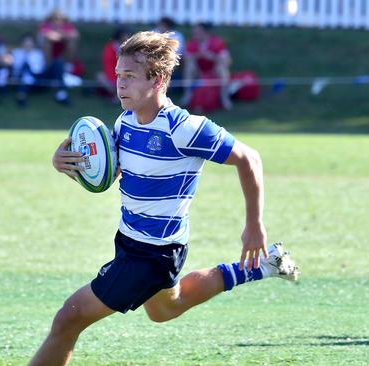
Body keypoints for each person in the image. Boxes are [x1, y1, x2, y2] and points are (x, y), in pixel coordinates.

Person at [29, 31, 299, 365]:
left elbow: (250, 158)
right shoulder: (125, 121)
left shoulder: (184, 128)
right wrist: (67, 163)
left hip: (153, 253)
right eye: (118, 76)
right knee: (167, 308)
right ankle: (260, 267)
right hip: (131, 240)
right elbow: (112, 172)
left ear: (157, 80)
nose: (120, 85)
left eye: (129, 76)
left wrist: (254, 225)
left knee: (68, 319)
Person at [181, 22, 232, 112]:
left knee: (223, 69)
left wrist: (213, 57)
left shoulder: (217, 42)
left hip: (213, 70)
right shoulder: (192, 43)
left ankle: (224, 98)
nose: (195, 34)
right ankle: (188, 95)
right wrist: (197, 56)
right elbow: (186, 59)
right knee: (189, 67)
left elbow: (227, 61)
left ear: (205, 32)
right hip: (199, 71)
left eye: (198, 32)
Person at [37, 9, 82, 105]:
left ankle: (66, 67)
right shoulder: (46, 25)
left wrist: (59, 35)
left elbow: (75, 35)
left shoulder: (67, 26)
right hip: (48, 64)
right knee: (48, 45)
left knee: (71, 44)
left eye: (59, 19)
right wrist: (62, 36)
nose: (57, 21)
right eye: (54, 19)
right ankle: (61, 91)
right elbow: (47, 36)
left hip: (62, 59)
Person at [96, 26, 131, 101]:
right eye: (125, 35)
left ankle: (120, 97)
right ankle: (118, 96)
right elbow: (108, 64)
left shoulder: (130, 48)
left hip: (126, 75)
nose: (127, 37)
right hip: (113, 76)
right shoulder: (110, 47)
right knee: (100, 77)